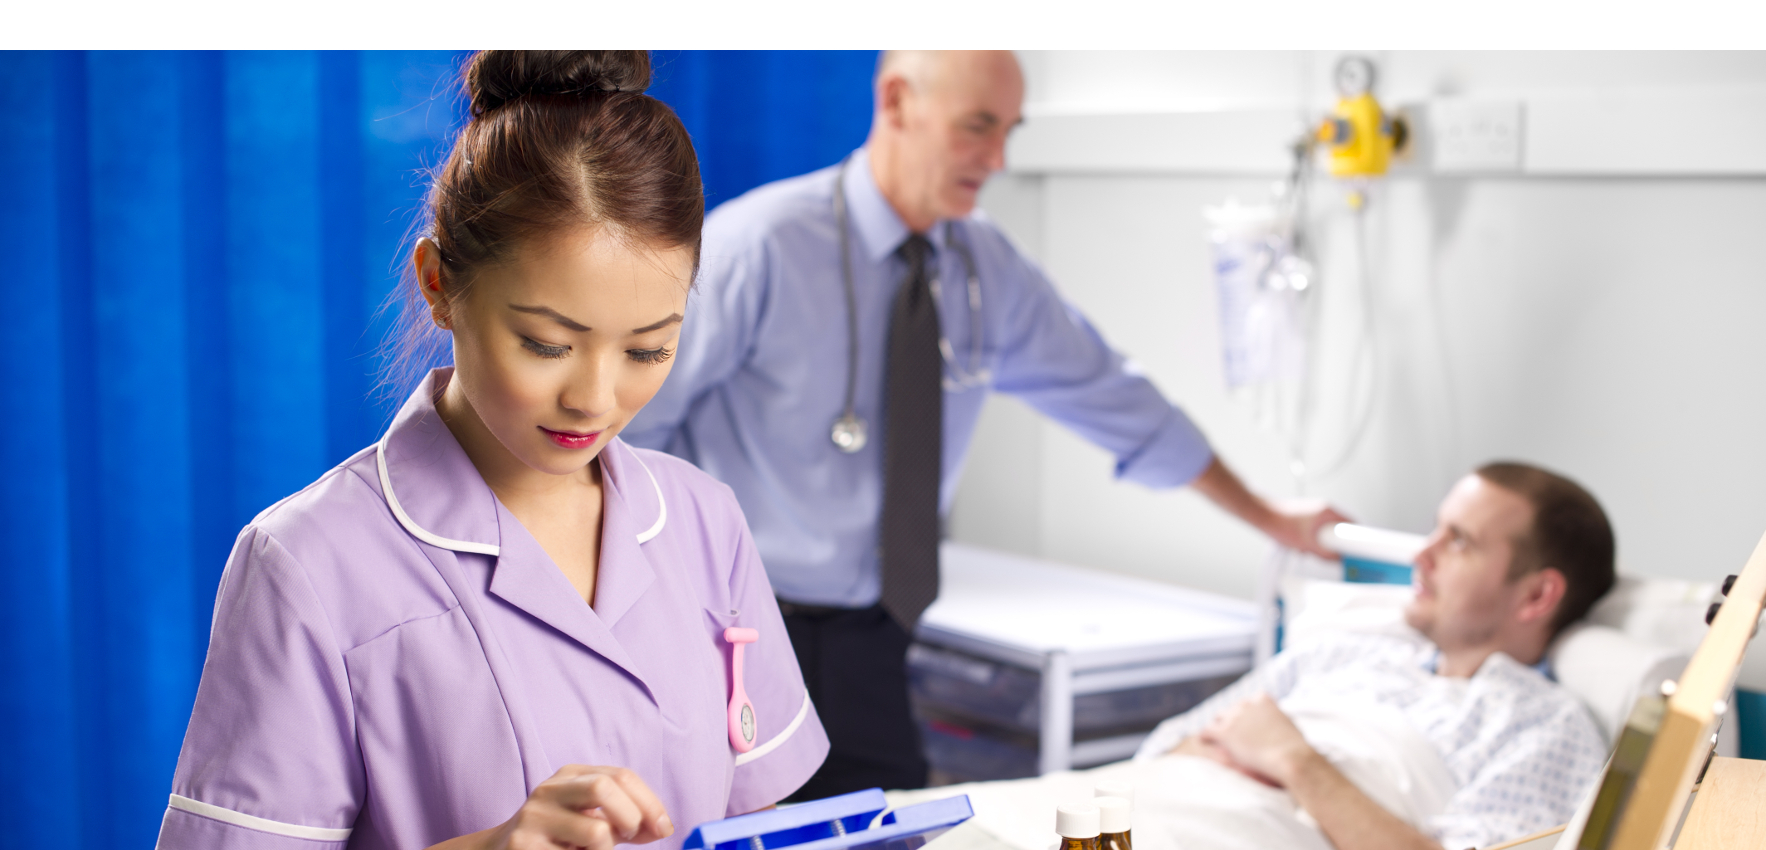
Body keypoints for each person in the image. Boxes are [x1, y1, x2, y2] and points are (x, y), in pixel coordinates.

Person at [622, 49, 1346, 798]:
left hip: (876, 639)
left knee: (892, 827)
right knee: (731, 829)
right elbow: (629, 435)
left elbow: (1118, 400)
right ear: (896, 101)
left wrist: (1269, 517)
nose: (998, 159)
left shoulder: (986, 269)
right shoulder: (757, 248)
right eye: (977, 127)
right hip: (733, 631)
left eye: (1009, 131)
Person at [155, 51, 827, 850]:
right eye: (547, 344)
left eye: (647, 349)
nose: (594, 398)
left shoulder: (704, 521)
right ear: (439, 283)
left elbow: (757, 824)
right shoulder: (307, 564)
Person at [1131, 461, 1617, 850]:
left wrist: (1293, 760)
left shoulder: (1540, 725)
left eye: (1459, 542)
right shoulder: (1336, 654)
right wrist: (1238, 756)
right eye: (1434, 531)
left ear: (1536, 596)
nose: (1421, 556)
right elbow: (1164, 747)